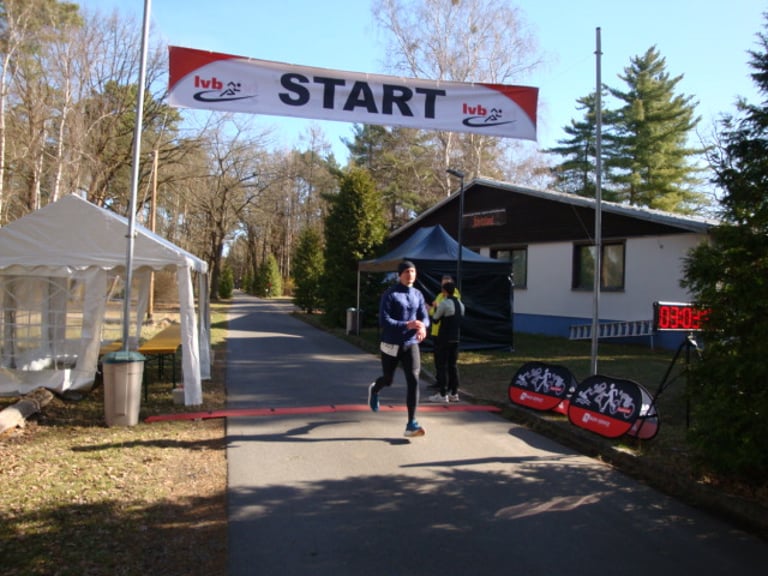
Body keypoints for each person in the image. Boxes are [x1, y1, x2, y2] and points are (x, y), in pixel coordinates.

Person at [368, 260, 430, 438]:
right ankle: (375, 389)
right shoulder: (390, 294)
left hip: (411, 343)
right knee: (388, 379)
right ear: (399, 275)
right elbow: (384, 320)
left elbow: (424, 317)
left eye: (413, 271)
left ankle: (411, 423)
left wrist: (423, 327)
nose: (410, 275)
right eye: (406, 272)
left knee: (414, 380)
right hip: (391, 344)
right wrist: (407, 324)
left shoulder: (417, 294)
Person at [428, 281, 465, 404]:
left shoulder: (445, 303)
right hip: (456, 338)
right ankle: (454, 393)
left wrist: (435, 307)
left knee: (442, 365)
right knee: (453, 366)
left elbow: (435, 319)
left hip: (444, 338)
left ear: (444, 291)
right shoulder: (461, 304)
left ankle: (442, 394)